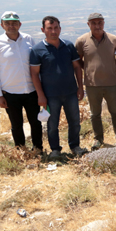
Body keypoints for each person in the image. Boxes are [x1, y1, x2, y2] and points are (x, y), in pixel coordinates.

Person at [30, 16, 87, 159]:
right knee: (52, 124)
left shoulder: (68, 46)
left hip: (70, 92)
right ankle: (55, 149)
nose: (53, 31)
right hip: (50, 95)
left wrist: (80, 87)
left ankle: (75, 146)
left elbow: (77, 68)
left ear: (60, 29)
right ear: (43, 30)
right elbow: (35, 74)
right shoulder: (37, 50)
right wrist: (40, 95)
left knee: (74, 121)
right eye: (49, 28)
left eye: (56, 28)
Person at [0, 11, 43, 153]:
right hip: (10, 93)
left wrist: (41, 89)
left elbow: (37, 64)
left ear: (20, 24)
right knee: (16, 125)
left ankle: (38, 149)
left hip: (31, 91)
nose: (11, 26)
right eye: (7, 23)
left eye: (14, 23)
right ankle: (20, 151)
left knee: (35, 123)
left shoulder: (28, 39)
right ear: (2, 25)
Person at [75, 13, 116, 150]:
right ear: (88, 24)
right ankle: (98, 139)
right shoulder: (81, 41)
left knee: (115, 112)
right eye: (94, 23)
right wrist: (88, 68)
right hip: (92, 84)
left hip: (112, 83)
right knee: (95, 114)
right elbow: (77, 60)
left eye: (100, 22)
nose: (97, 25)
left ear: (104, 23)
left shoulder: (114, 40)